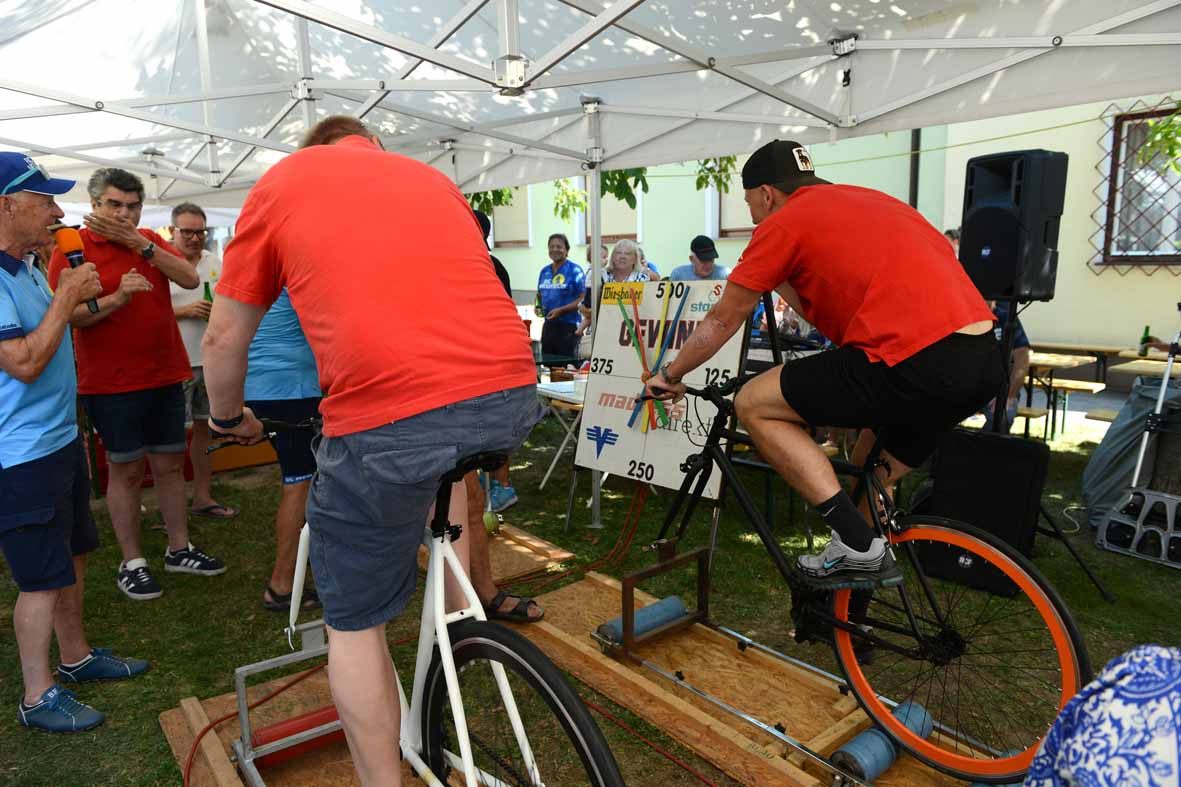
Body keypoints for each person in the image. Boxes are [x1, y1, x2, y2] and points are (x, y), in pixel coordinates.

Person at [201, 115, 541, 786]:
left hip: (388, 413)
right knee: (444, 473)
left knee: (353, 623)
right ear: (374, 148)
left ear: (312, 153)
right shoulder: (430, 180)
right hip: (508, 392)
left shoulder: (286, 181)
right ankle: (458, 619)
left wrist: (225, 417)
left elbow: (221, 336)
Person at [644, 140, 1001, 584]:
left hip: (913, 358)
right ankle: (858, 600)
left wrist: (670, 374)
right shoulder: (872, 202)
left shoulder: (784, 222)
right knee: (869, 468)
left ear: (767, 194)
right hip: (980, 359)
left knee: (753, 403)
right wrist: (782, 280)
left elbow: (722, 319)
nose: (752, 216)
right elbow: (841, 315)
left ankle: (856, 543)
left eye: (749, 202)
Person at [0, 152, 148, 732]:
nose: (58, 213)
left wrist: (62, 292)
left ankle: (75, 657)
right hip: (20, 454)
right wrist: (66, 297)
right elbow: (25, 363)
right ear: (6, 206)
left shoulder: (26, 268)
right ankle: (37, 697)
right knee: (40, 577)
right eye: (45, 201)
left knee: (73, 553)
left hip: (59, 440)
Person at [48, 168, 226, 601]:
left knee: (170, 465)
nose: (124, 214)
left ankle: (179, 548)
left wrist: (141, 245)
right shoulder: (72, 248)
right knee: (126, 471)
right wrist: (117, 299)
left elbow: (188, 278)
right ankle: (132, 563)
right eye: (114, 205)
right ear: (95, 206)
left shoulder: (147, 240)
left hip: (164, 372)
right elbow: (67, 316)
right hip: (110, 382)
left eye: (132, 206)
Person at [244, 288, 322, 612]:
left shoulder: (265, 272)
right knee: (300, 484)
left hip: (268, 386)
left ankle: (307, 562)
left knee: (307, 480)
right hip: (291, 389)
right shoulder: (296, 274)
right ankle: (281, 585)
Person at [169, 202, 237, 520]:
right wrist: (184, 311)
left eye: (201, 232)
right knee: (170, 438)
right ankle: (172, 504)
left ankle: (202, 495)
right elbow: (145, 311)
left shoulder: (214, 262)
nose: (195, 238)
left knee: (204, 430)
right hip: (175, 362)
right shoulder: (161, 261)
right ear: (173, 231)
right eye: (188, 232)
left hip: (209, 361)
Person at [983, 299, 1031, 433]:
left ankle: (981, 445)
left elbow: (1022, 356)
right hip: (965, 386)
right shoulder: (964, 317)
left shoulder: (1005, 317)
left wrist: (1009, 395)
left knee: (1004, 416)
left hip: (997, 389)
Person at [537, 232, 585, 362]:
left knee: (567, 367)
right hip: (548, 327)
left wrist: (562, 310)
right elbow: (539, 294)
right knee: (549, 365)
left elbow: (583, 298)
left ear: (566, 250)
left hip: (568, 328)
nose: (555, 249)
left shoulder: (575, 271)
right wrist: (538, 306)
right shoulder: (544, 271)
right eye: (551, 246)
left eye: (559, 246)